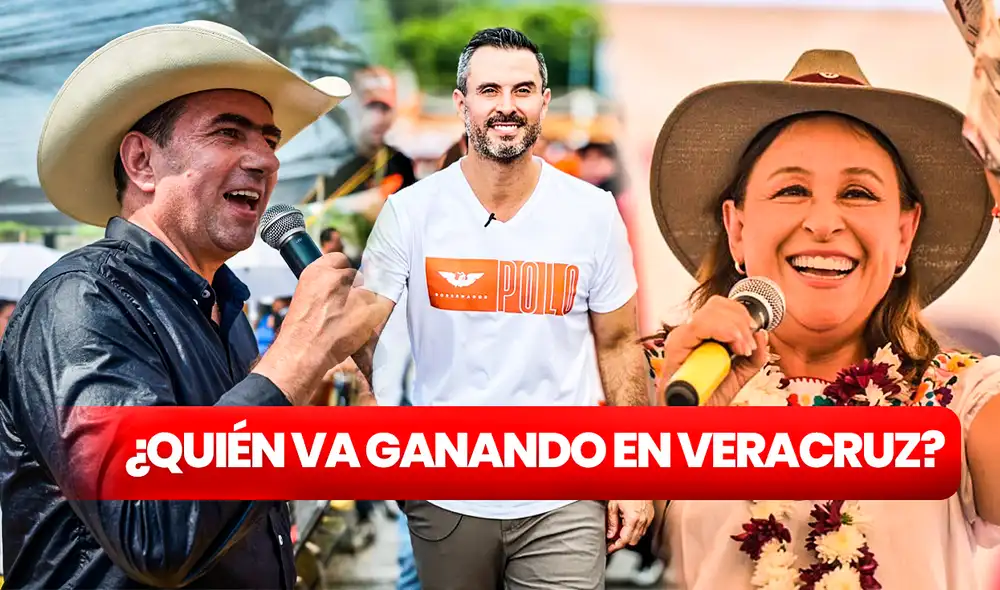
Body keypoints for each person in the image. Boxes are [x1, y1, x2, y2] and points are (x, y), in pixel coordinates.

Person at [0, 20, 379, 588]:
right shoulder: (80, 303)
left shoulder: (224, 308)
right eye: (229, 134)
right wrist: (298, 353)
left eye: (269, 140)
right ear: (142, 163)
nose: (266, 161)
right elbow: (154, 532)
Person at [643, 49, 1000, 589]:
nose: (824, 222)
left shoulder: (960, 397)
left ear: (904, 233)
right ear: (736, 227)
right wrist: (669, 437)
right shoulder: (652, 379)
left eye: (858, 193)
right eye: (792, 190)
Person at [350, 27, 653, 589]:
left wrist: (632, 473)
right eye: (489, 90)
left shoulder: (592, 213)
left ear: (543, 101)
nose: (506, 106)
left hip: (566, 496)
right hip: (445, 495)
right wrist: (379, 432)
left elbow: (618, 345)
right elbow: (358, 335)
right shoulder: (412, 213)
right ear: (462, 103)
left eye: (522, 89)